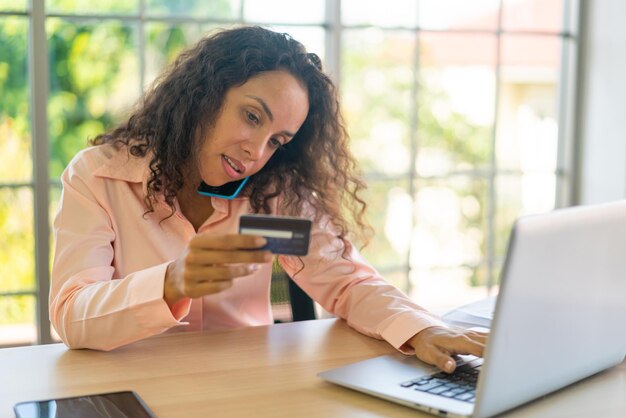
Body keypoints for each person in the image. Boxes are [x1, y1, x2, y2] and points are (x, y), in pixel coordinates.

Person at [50, 25, 486, 374]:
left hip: (247, 384)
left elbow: (346, 282)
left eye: (277, 140)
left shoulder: (268, 201)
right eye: (252, 116)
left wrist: (423, 329)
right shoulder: (101, 177)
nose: (256, 152)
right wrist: (170, 282)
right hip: (129, 383)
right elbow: (71, 313)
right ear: (203, 94)